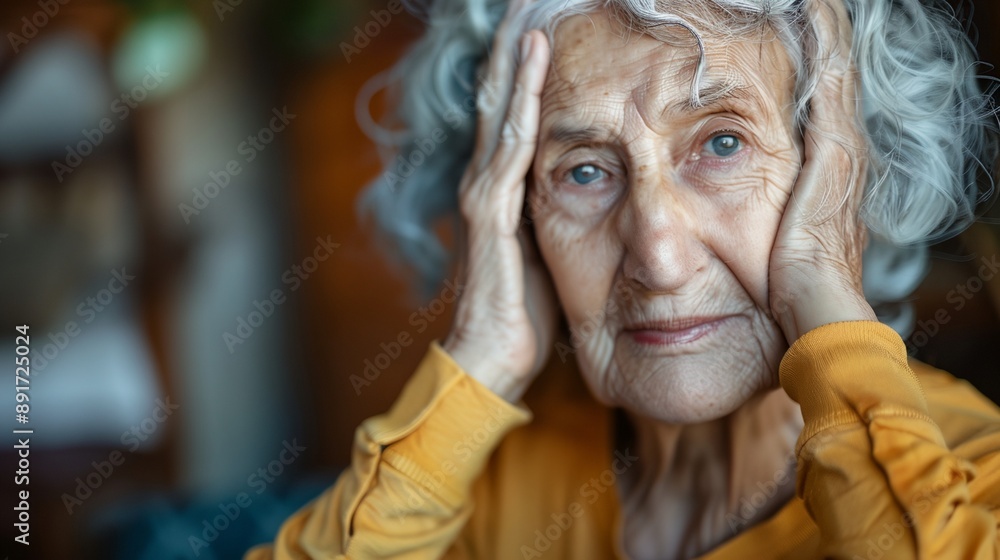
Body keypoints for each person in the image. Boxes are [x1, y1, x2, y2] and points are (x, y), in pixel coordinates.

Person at [247, 0, 1000, 557]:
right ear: (515, 219)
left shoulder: (973, 469)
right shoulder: (487, 478)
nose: (660, 259)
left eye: (725, 144)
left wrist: (832, 324)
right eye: (582, 171)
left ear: (845, 178)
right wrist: (479, 360)